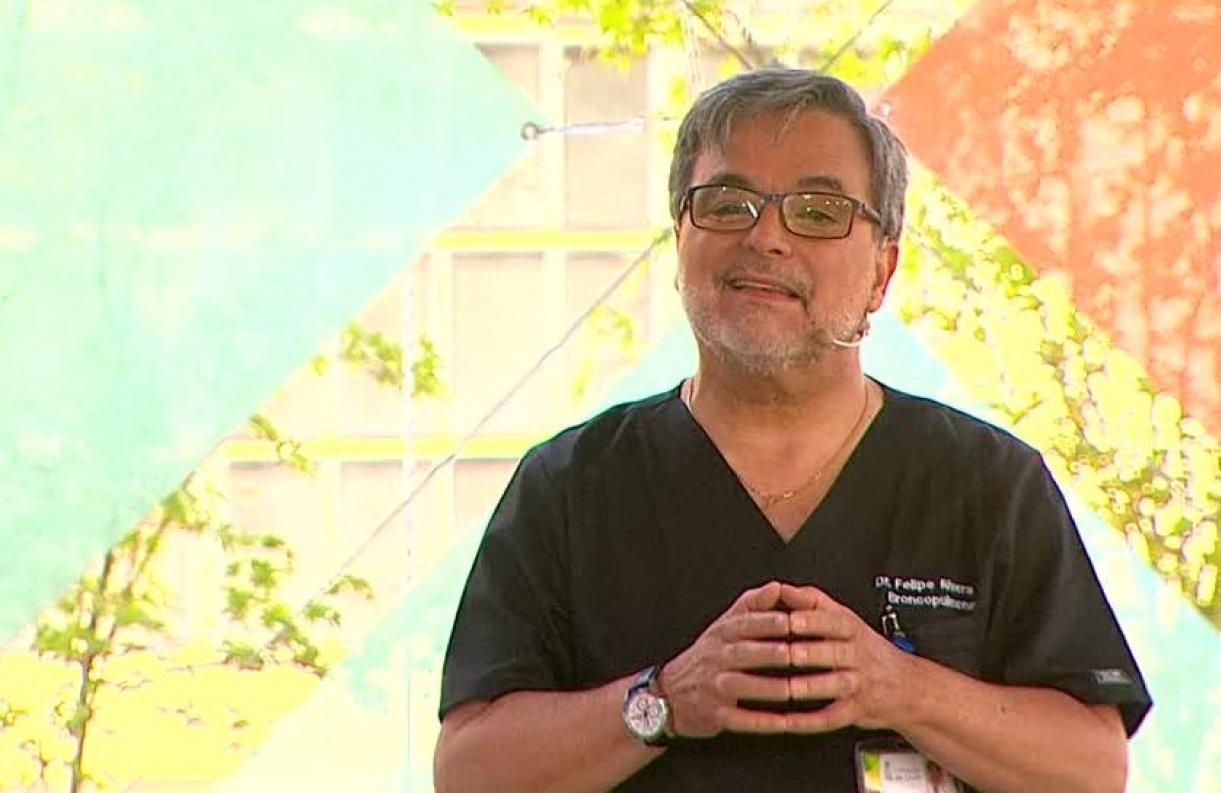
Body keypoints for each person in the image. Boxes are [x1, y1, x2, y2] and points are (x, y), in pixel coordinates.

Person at [433, 66, 1152, 793]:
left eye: (817, 211)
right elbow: (467, 770)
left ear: (882, 271)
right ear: (680, 240)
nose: (766, 236)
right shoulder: (573, 484)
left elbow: (1091, 768)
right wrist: (665, 701)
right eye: (728, 204)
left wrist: (901, 688)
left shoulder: (986, 482)